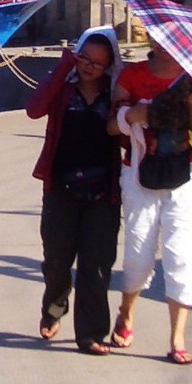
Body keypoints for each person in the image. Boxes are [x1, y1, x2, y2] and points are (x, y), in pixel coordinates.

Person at [109, 35, 192, 364]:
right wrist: (134, 114)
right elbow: (111, 126)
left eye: (172, 38)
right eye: (160, 37)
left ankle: (177, 338)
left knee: (181, 255)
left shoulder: (191, 76)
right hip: (140, 174)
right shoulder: (133, 76)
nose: (165, 44)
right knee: (138, 252)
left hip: (182, 175)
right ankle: (126, 311)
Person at [25, 27, 121, 354]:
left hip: (102, 194)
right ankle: (54, 307)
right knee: (56, 262)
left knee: (96, 266)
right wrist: (65, 65)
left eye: (97, 62)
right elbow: (34, 108)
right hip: (61, 190)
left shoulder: (115, 93)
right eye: (84, 58)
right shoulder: (63, 91)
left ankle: (91, 335)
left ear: (108, 65)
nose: (89, 66)